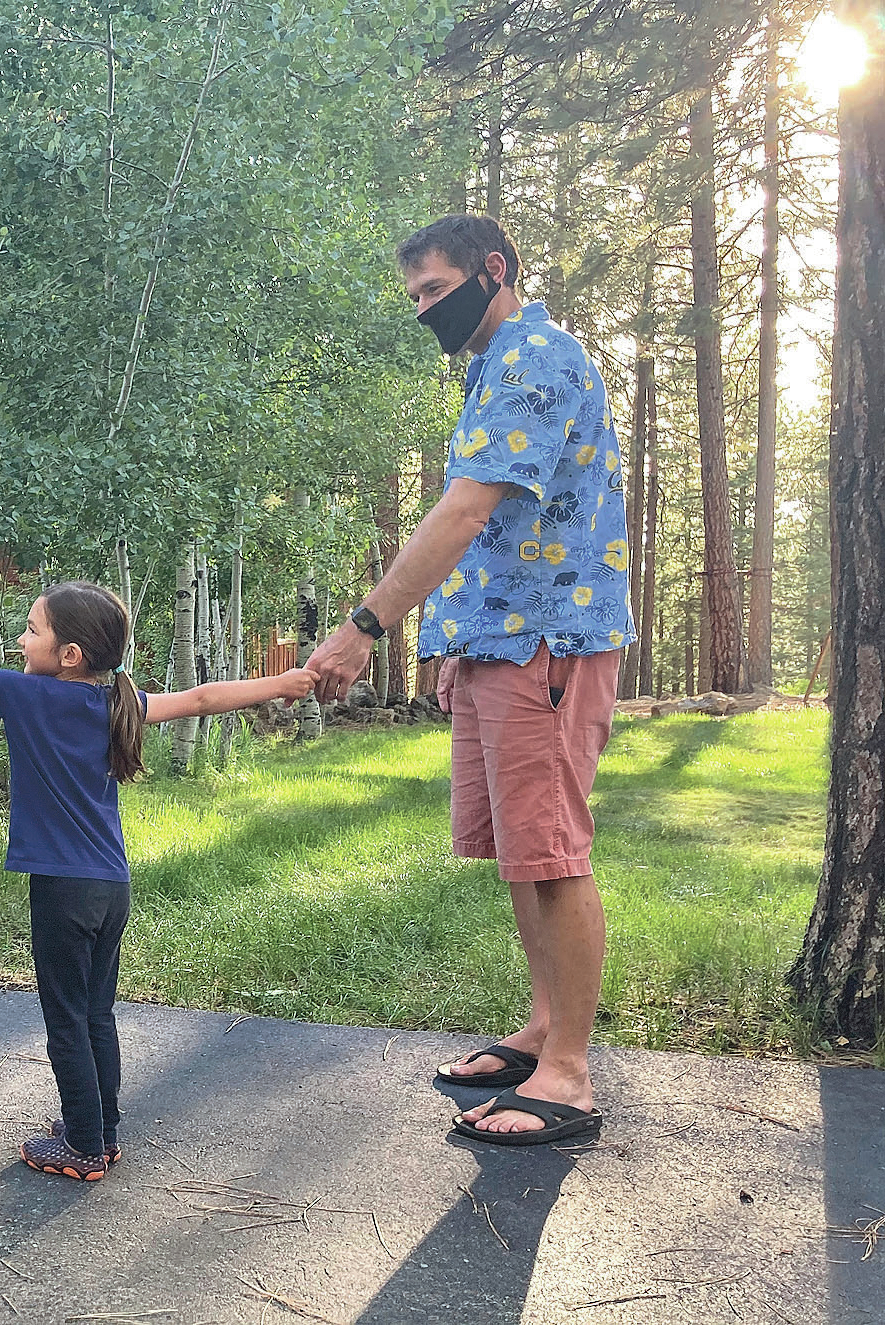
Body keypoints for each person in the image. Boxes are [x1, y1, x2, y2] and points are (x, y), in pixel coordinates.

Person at [306, 214, 634, 1146]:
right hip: (500, 640)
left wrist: (365, 625)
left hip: (548, 645)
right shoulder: (494, 365)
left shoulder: (536, 355)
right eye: (413, 296)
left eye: (434, 291)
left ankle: (568, 1073)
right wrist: (459, 636)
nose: (423, 312)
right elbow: (491, 534)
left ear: (494, 271)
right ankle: (541, 1028)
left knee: (553, 851)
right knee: (518, 852)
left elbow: (463, 510)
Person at [0, 574, 318, 1178]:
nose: (22, 641)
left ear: (69, 655)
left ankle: (82, 1147)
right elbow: (204, 698)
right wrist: (286, 683)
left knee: (65, 1018)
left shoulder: (32, 698)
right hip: (112, 886)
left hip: (62, 888)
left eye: (33, 632)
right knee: (96, 1014)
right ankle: (100, 1128)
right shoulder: (118, 702)